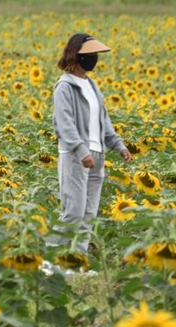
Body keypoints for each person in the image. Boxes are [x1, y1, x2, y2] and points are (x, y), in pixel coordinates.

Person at [50, 33, 132, 255]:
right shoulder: (64, 87)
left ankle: (77, 261)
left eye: (95, 54)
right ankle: (50, 257)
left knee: (88, 213)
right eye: (89, 54)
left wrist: (118, 144)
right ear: (75, 55)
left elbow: (103, 120)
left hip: (97, 154)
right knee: (73, 212)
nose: (93, 58)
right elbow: (64, 124)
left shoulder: (92, 86)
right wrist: (80, 150)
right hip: (75, 155)